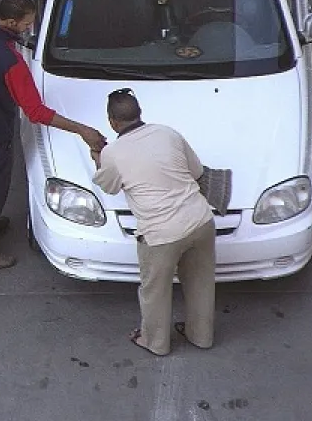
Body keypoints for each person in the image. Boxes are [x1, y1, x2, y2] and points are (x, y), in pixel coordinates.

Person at [0, 0, 109, 269]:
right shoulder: (12, 62)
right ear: (10, 22)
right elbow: (36, 112)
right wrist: (82, 130)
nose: (29, 29)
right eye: (26, 24)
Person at [91, 89, 217, 356]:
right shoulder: (167, 132)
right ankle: (201, 336)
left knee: (155, 290)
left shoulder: (113, 152)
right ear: (140, 113)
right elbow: (196, 171)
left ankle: (156, 342)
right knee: (200, 282)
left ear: (112, 121)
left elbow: (110, 187)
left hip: (161, 235)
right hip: (201, 219)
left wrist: (99, 161)